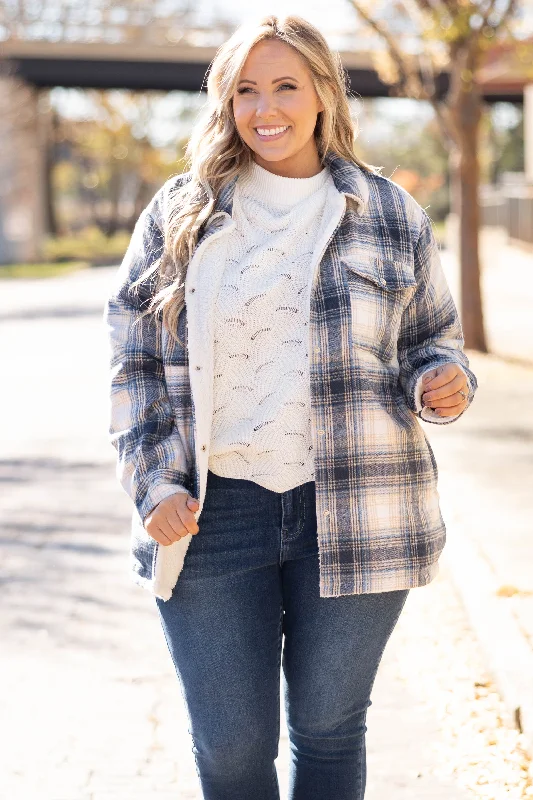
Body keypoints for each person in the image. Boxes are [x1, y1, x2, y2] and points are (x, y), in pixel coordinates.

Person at [104, 13, 478, 800]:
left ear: (321, 95)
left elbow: (431, 341)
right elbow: (132, 361)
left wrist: (441, 380)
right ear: (225, 101)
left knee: (330, 732)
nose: (264, 108)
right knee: (233, 749)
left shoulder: (386, 211)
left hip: (359, 503)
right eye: (245, 90)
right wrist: (154, 484)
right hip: (211, 515)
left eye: (283, 86)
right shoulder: (181, 214)